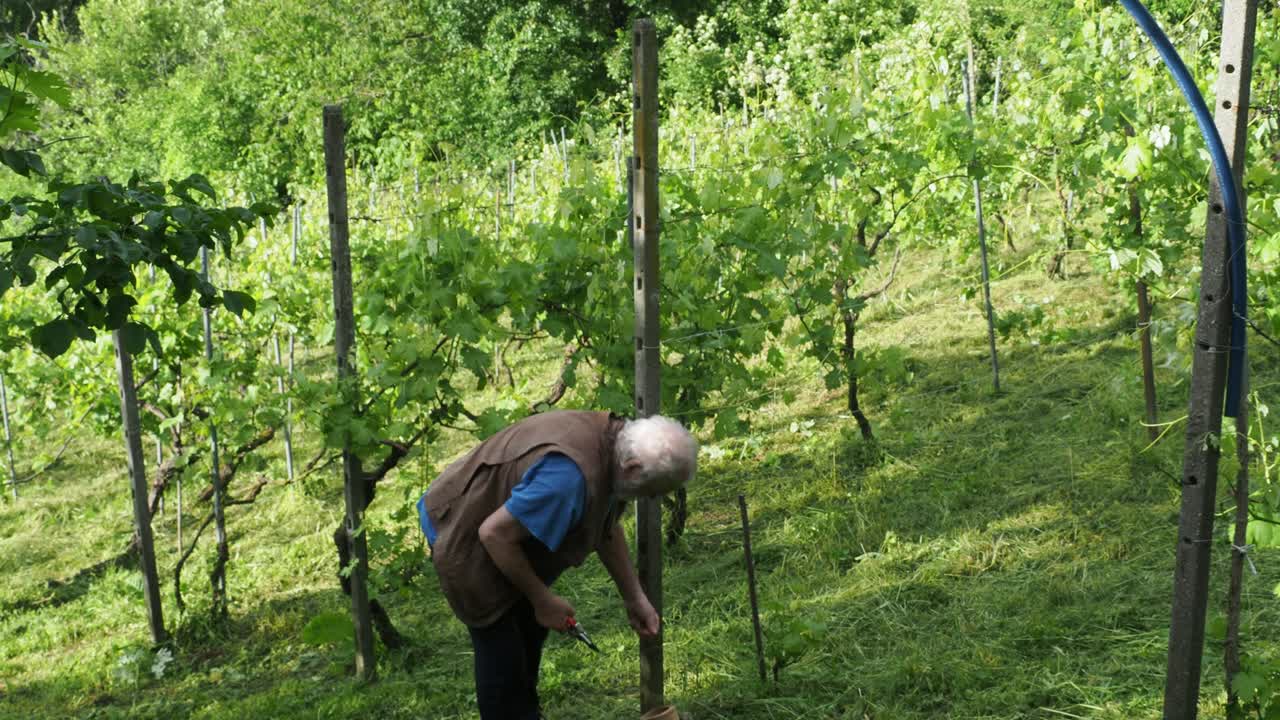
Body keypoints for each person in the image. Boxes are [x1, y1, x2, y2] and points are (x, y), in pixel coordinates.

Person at [417, 410, 697, 720]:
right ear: (632, 468)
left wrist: (635, 597)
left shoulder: (617, 445)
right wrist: (542, 599)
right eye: (653, 492)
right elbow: (493, 534)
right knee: (502, 652)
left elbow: (605, 523)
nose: (651, 499)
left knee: (527, 633)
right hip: (461, 530)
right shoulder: (567, 479)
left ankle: (524, 706)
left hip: (504, 527)